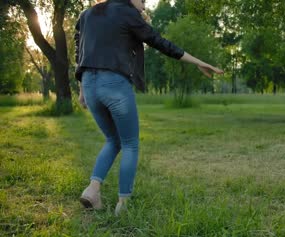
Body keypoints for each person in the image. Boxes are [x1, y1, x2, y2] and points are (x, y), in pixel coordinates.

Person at [74, 0, 223, 215]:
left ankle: (92, 190)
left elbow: (80, 52)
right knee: (130, 144)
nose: (144, 6)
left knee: (112, 140)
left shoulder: (87, 15)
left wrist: (81, 90)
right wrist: (198, 62)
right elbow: (160, 42)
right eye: (143, 1)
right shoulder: (126, 12)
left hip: (89, 85)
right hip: (114, 84)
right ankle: (122, 207)